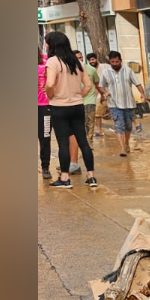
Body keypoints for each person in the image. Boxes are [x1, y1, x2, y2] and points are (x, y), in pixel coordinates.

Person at [44, 32, 98, 189]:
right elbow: (88, 85)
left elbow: (49, 84)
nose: (46, 45)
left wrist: (50, 95)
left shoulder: (53, 61)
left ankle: (65, 178)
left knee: (63, 143)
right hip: (77, 106)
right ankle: (91, 176)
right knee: (84, 142)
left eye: (47, 42)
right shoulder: (77, 61)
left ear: (52, 44)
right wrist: (79, 95)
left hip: (59, 107)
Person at [99, 50, 145, 157]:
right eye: (112, 62)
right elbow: (101, 85)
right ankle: (122, 148)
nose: (115, 64)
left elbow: (137, 83)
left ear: (121, 61)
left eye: (117, 62)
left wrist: (142, 94)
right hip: (114, 104)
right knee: (119, 125)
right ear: (110, 61)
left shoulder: (128, 71)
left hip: (129, 103)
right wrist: (105, 93)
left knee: (128, 126)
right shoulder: (106, 72)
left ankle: (126, 142)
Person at [37, 48, 53, 179]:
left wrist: (49, 87)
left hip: (44, 106)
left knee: (44, 137)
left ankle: (45, 167)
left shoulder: (47, 60)